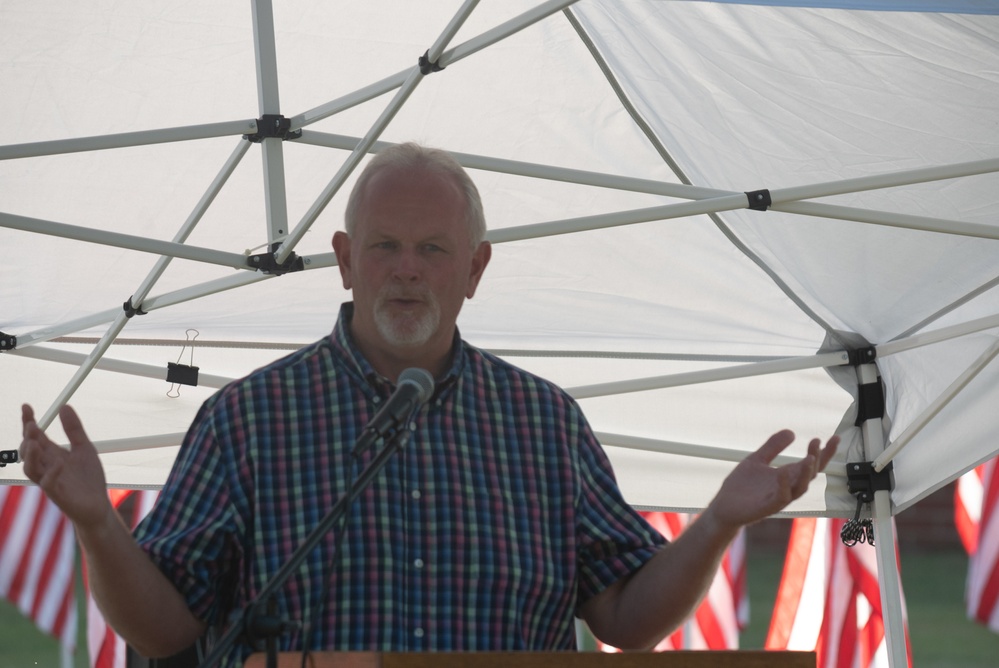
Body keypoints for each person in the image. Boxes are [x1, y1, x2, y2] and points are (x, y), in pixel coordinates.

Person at [20, 142, 838, 665]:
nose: (406, 270)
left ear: (474, 270)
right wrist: (98, 525)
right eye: (384, 247)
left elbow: (626, 620)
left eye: (432, 250)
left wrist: (718, 523)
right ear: (345, 260)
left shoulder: (544, 426)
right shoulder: (249, 420)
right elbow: (165, 632)